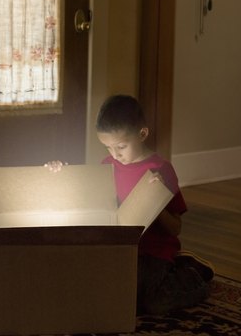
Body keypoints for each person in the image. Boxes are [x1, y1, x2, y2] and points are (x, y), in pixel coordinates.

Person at [46, 94, 214, 315]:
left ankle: (191, 273)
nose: (115, 154)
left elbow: (175, 228)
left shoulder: (160, 170)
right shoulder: (107, 166)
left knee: (151, 303)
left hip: (153, 251)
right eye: (107, 147)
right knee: (105, 289)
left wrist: (157, 200)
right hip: (119, 248)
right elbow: (90, 198)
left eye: (121, 146)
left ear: (142, 134)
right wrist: (63, 172)